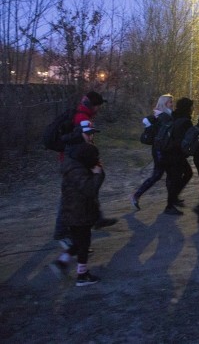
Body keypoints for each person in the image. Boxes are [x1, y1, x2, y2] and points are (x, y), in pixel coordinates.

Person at [50, 123, 105, 286]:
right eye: (88, 134)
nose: (91, 137)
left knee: (78, 241)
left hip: (74, 210)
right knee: (84, 242)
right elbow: (90, 189)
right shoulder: (78, 166)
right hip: (78, 212)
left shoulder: (74, 161)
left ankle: (61, 263)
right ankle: (82, 275)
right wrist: (98, 174)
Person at [72, 91, 116, 229]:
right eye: (97, 106)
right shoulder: (82, 118)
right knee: (80, 192)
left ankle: (97, 217)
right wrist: (92, 161)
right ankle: (65, 229)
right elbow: (83, 142)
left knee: (90, 188)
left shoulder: (83, 115)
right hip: (79, 160)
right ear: (92, 105)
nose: (99, 108)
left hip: (80, 158)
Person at [130, 94, 173, 210]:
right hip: (161, 151)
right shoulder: (164, 117)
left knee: (167, 174)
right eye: (170, 102)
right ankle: (136, 195)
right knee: (158, 175)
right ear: (164, 104)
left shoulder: (160, 115)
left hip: (160, 149)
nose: (172, 104)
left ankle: (172, 201)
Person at [159, 97, 194, 216]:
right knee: (178, 178)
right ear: (187, 108)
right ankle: (170, 205)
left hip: (167, 152)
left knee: (178, 177)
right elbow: (184, 140)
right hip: (175, 154)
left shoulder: (173, 116)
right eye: (191, 107)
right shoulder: (185, 121)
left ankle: (173, 199)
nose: (192, 109)